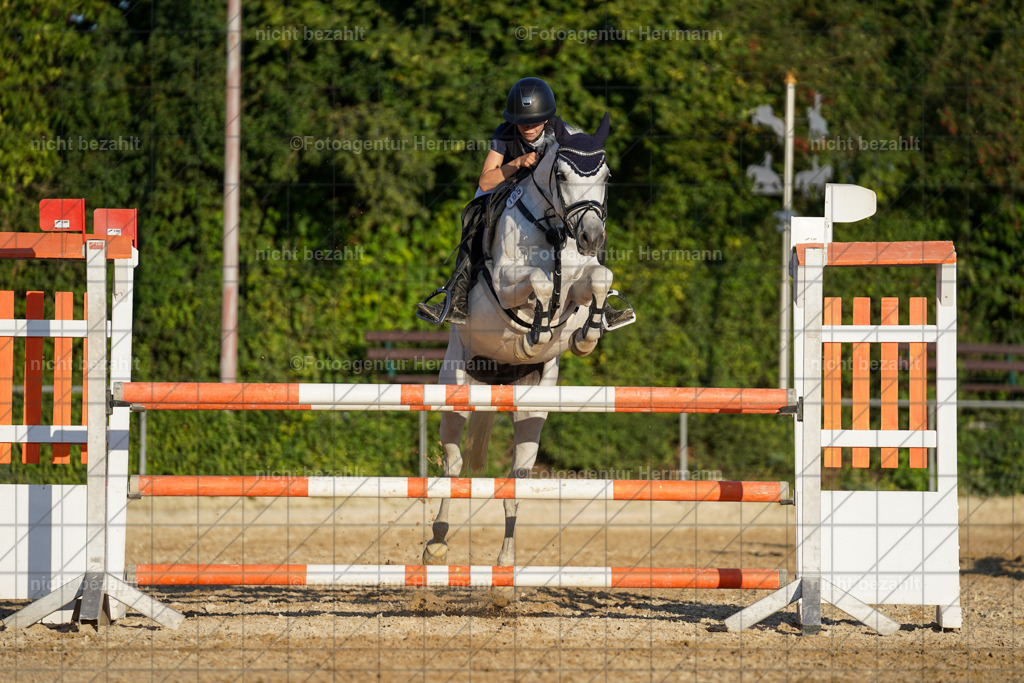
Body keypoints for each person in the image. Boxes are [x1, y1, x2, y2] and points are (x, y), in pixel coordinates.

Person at [417, 76, 558, 325]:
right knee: (474, 215)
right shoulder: (504, 133)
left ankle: (603, 297)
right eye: (521, 122)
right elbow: (486, 181)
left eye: (534, 122)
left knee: (587, 212)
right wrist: (516, 163)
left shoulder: (559, 132)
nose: (527, 128)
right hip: (509, 189)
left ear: (545, 118)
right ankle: (457, 299)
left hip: (546, 196)